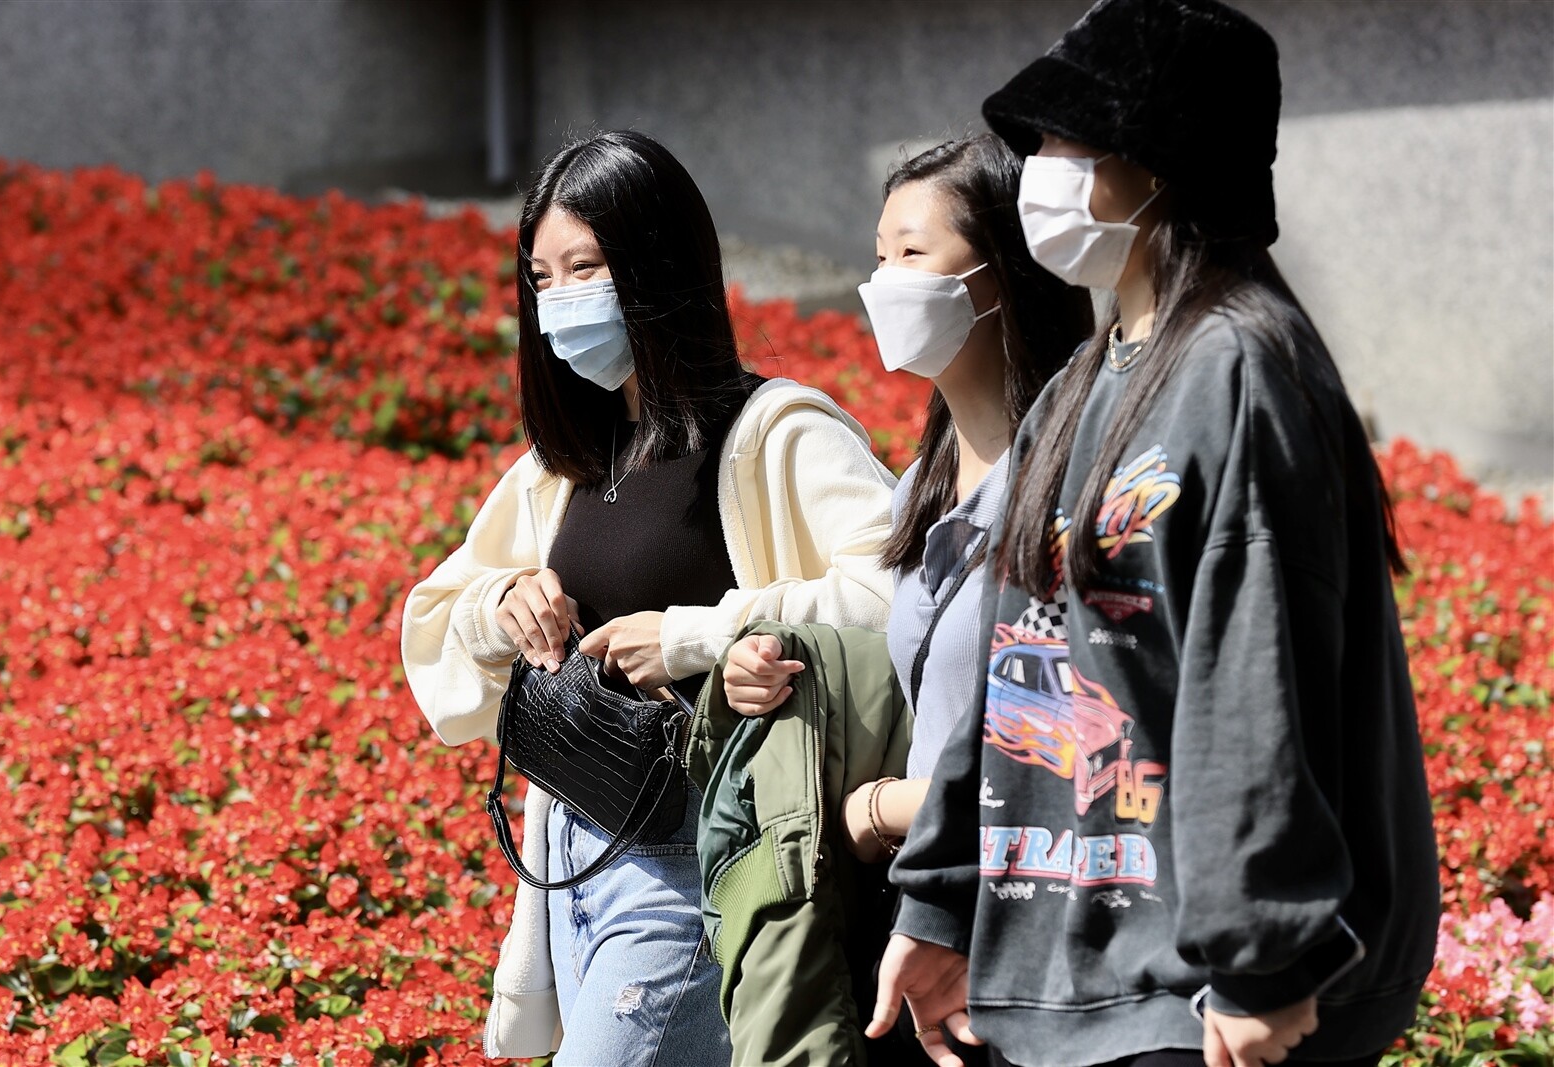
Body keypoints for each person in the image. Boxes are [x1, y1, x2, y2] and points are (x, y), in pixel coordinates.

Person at [868, 3, 1440, 1067]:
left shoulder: (1238, 369)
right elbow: (1014, 669)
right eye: (1035, 140)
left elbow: (1252, 678)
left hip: (1198, 1003)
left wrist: (1261, 957)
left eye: (1068, 141)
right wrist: (942, 900)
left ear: (1161, 160)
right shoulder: (1082, 387)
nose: (1038, 168)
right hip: (1068, 975)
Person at [400, 130, 897, 1066]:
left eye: (585, 266)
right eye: (542, 277)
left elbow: (894, 593)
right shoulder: (571, 462)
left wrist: (695, 637)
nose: (560, 299)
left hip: (696, 867)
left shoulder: (774, 432)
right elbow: (441, 615)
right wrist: (505, 596)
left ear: (658, 265)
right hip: (574, 861)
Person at [719, 134, 1093, 1064]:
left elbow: (1065, 751)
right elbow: (908, 673)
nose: (881, 281)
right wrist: (766, 665)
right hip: (921, 917)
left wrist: (883, 808)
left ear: (1000, 275)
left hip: (1028, 934)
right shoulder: (925, 476)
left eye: (910, 254)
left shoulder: (1072, 484)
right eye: (877, 254)